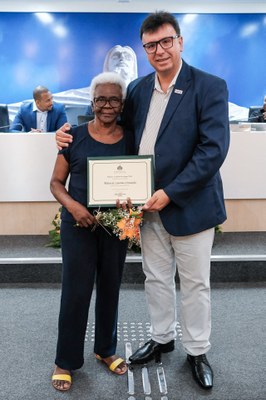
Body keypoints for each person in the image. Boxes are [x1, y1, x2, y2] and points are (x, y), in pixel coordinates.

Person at [55, 11, 230, 390]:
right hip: (145, 208)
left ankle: (198, 350)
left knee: (196, 283)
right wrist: (69, 135)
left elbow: (212, 151)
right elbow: (116, 128)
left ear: (180, 41)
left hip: (189, 206)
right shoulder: (137, 90)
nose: (160, 50)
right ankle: (162, 338)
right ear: (145, 50)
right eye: (151, 45)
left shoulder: (209, 86)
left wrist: (170, 193)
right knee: (156, 278)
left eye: (166, 41)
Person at [50, 72, 133, 391]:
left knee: (111, 287)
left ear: (122, 103)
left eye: (114, 99)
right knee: (76, 292)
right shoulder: (73, 136)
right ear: (92, 102)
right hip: (78, 225)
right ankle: (65, 360)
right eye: (101, 99)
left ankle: (105, 350)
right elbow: (56, 183)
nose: (107, 105)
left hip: (116, 226)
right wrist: (74, 207)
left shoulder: (131, 137)